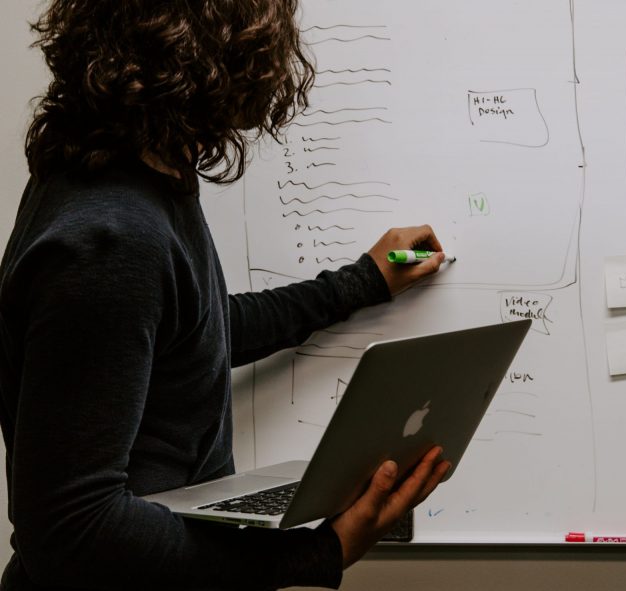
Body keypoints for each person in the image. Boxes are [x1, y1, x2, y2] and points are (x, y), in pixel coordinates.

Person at [0, 1, 452, 589]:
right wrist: (321, 552)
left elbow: (192, 335)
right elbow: (71, 530)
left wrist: (362, 281)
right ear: (221, 57)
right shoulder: (110, 238)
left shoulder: (133, 175)